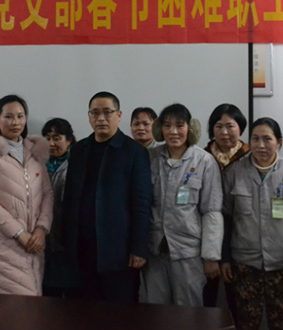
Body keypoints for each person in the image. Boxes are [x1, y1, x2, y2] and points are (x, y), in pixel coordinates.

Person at [221, 117, 283, 330]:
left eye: (267, 139)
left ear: (279, 142)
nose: (260, 145)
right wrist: (224, 258)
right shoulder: (234, 173)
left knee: (281, 323)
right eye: (255, 139)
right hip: (244, 265)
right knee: (245, 323)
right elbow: (224, 218)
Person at [63, 91, 153, 303]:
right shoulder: (79, 150)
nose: (101, 118)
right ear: (89, 117)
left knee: (119, 313)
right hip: (82, 249)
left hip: (118, 252)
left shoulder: (134, 152)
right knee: (84, 311)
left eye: (107, 112)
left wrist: (138, 248)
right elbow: (69, 199)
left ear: (119, 115)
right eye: (95, 113)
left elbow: (141, 204)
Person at [140, 104, 222, 306]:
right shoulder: (150, 159)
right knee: (156, 311)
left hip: (188, 252)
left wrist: (211, 256)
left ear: (190, 128)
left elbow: (211, 212)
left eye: (179, 125)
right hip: (155, 250)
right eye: (167, 126)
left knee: (188, 312)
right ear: (160, 129)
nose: (173, 131)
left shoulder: (204, 161)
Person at [0, 94, 53, 295]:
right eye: (8, 116)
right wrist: (19, 233)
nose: (15, 122)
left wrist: (41, 229)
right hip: (1, 245)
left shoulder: (34, 152)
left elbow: (47, 193)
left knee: (31, 306)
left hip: (33, 245)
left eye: (20, 116)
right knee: (16, 308)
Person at [202, 103, 248, 315]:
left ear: (241, 128)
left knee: (237, 302)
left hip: (240, 237)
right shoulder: (201, 157)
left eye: (230, 126)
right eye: (218, 126)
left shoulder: (250, 157)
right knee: (205, 300)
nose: (224, 132)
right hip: (205, 238)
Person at [41, 117, 78, 296]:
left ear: (69, 140)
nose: (51, 143)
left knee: (72, 296)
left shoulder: (78, 164)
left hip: (69, 242)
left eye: (57, 138)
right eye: (47, 138)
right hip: (43, 241)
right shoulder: (37, 165)